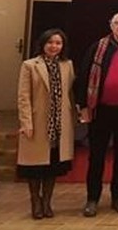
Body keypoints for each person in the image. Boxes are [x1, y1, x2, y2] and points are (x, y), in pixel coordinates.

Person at [75, 11, 118, 217]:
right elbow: (83, 76)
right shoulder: (97, 47)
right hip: (100, 111)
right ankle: (92, 198)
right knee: (96, 156)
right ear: (111, 25)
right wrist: (83, 106)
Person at [17, 29, 75, 219]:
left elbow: (70, 93)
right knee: (35, 166)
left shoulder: (67, 65)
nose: (54, 46)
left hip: (60, 123)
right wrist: (26, 122)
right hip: (38, 121)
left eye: (58, 43)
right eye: (50, 42)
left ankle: (47, 202)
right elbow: (24, 96)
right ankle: (35, 201)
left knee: (53, 164)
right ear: (42, 44)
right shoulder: (30, 65)